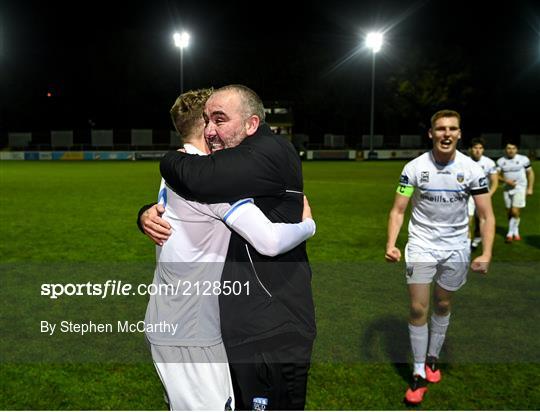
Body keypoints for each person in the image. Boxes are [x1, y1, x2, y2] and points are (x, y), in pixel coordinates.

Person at [142, 88, 316, 411]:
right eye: (208, 120)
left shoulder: (181, 180)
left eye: (219, 120)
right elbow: (270, 240)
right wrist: (309, 226)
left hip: (178, 325)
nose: (213, 130)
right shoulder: (209, 181)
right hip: (195, 332)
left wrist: (146, 208)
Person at [385, 110, 495, 405]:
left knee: (443, 303)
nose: (446, 133)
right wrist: (392, 243)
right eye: (441, 129)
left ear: (460, 134)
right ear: (431, 134)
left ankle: (433, 357)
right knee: (418, 309)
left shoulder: (472, 170)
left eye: (453, 129)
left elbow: (485, 215)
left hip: (456, 247)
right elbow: (398, 209)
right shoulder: (414, 168)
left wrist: (486, 252)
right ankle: (419, 372)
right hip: (421, 244)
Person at [496, 141, 535, 243]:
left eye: (513, 148)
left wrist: (530, 188)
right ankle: (514, 230)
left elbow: (530, 173)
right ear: (505, 150)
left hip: (520, 188)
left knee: (514, 211)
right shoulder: (500, 161)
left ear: (516, 149)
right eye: (509, 148)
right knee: (509, 212)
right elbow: (496, 175)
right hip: (507, 188)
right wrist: (506, 180)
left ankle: (511, 233)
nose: (511, 150)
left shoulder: (523, 159)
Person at [467, 138, 498, 249]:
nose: (478, 151)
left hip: (482, 196)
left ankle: (476, 239)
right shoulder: (464, 161)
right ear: (470, 149)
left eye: (480, 148)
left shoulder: (489, 163)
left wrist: (489, 195)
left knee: (480, 220)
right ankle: (467, 243)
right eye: (475, 148)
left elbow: (495, 181)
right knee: (467, 220)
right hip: (468, 196)